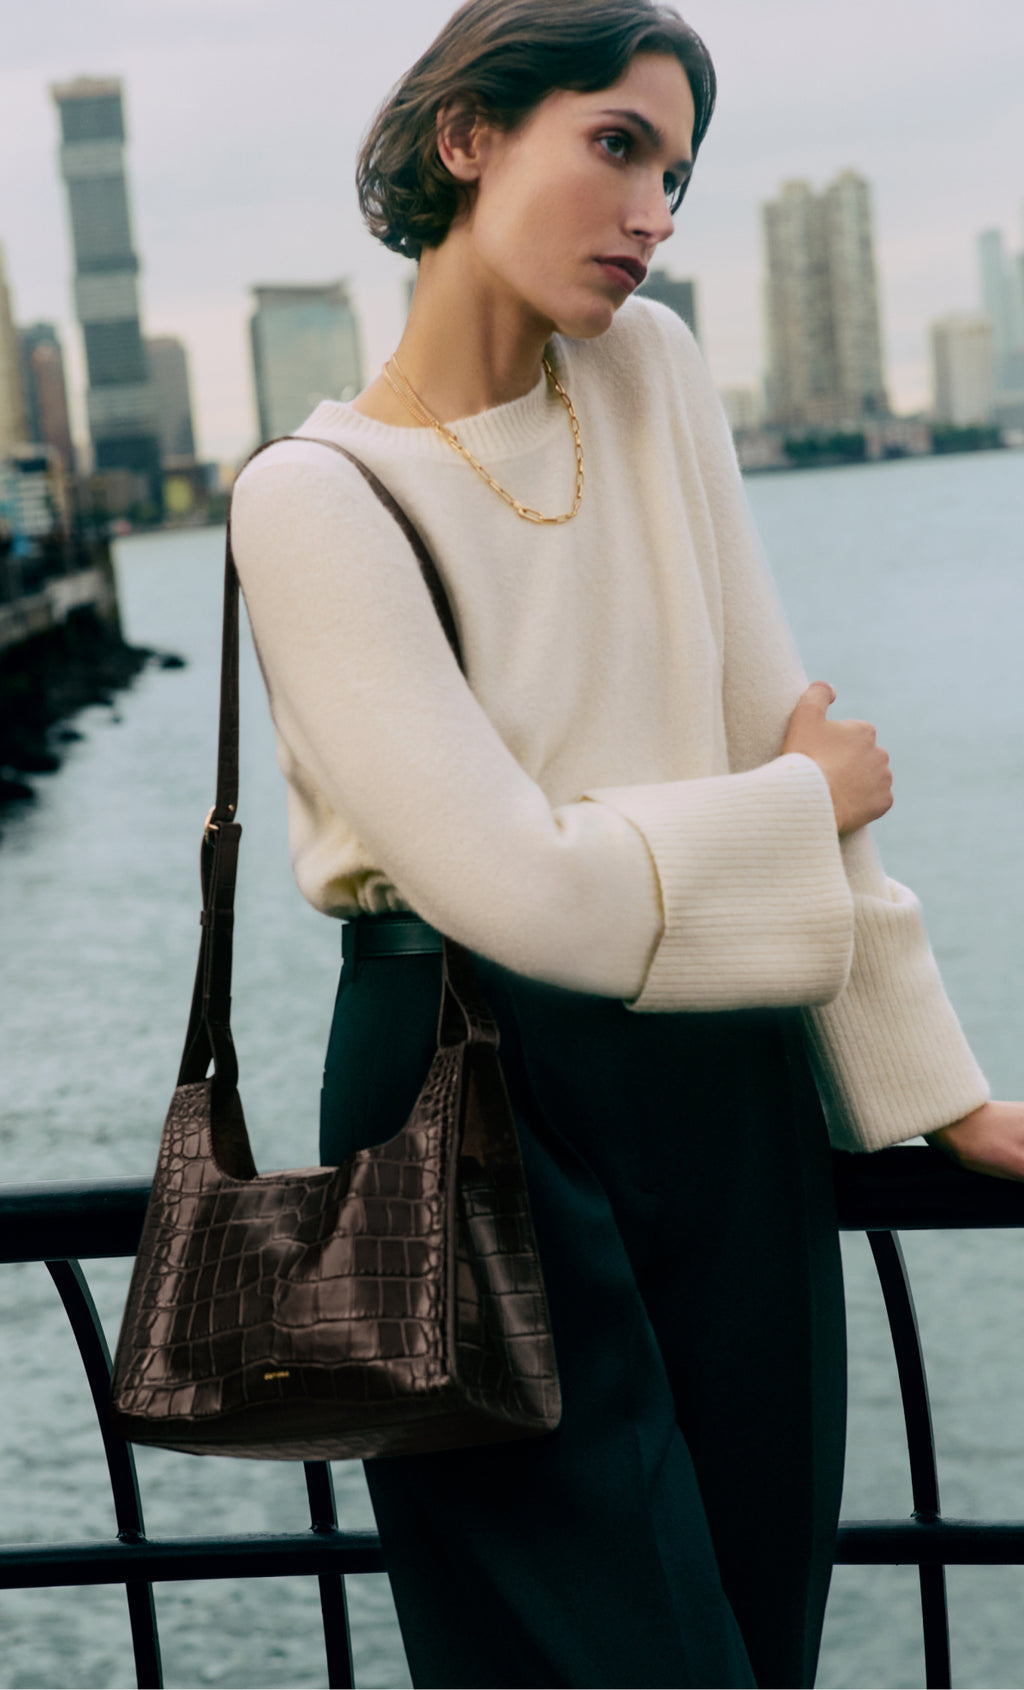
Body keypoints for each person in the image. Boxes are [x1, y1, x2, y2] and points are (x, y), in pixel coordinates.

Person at [231, 2, 1024, 1683]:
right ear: (467, 138)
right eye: (616, 145)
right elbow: (522, 891)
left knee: (753, 1618)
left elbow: (761, 714)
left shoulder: (650, 374)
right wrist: (803, 805)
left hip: (726, 1084)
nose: (656, 206)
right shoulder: (311, 495)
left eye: (676, 170)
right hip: (462, 1102)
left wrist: (939, 1093)